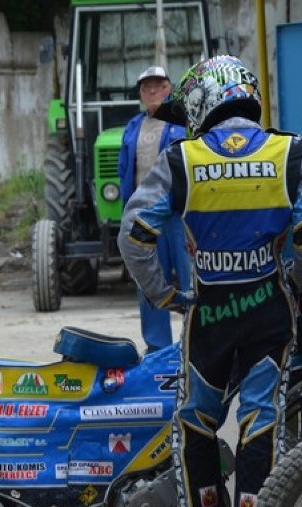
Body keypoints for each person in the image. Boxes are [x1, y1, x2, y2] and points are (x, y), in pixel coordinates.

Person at [117, 56, 302, 507]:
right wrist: (292, 279)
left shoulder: (181, 158)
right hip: (268, 311)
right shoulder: (293, 152)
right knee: (261, 422)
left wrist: (165, 294)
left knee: (195, 421)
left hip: (208, 316)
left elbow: (134, 235)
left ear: (201, 101)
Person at [118, 65, 191, 353]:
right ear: (140, 93)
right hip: (145, 215)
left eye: (158, 86)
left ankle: (195, 339)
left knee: (190, 277)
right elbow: (125, 168)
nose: (152, 91)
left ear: (169, 89)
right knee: (149, 279)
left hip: (178, 215)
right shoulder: (133, 126)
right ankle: (157, 346)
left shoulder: (183, 124)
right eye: (146, 87)